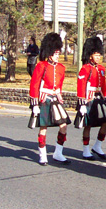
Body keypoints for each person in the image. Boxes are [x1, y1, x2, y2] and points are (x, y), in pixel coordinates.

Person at [29, 33, 71, 164]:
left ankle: (58, 152)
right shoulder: (41, 66)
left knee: (63, 125)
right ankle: (42, 154)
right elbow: (34, 84)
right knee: (43, 127)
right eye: (55, 54)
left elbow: (59, 85)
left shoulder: (61, 68)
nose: (58, 56)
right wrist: (34, 104)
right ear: (49, 54)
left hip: (55, 99)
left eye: (59, 54)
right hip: (44, 98)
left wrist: (59, 95)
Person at [76, 36, 106, 160]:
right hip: (88, 99)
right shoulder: (85, 69)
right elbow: (81, 85)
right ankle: (86, 149)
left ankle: (98, 145)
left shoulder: (101, 69)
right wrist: (82, 103)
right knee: (88, 125)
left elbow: (103, 85)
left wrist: (105, 96)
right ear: (90, 56)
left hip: (99, 98)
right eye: (96, 55)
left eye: (99, 55)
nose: (98, 57)